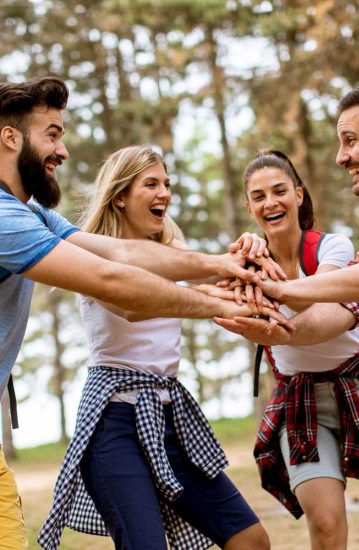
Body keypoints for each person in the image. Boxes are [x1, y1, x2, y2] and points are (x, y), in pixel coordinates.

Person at [0, 76, 285, 549]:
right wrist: (226, 299)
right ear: (10, 138)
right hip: (113, 414)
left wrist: (226, 263)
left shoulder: (32, 214)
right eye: (52, 133)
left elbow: (126, 256)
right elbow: (117, 284)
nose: (62, 150)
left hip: (165, 406)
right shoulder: (5, 219)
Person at [217, 149, 359, 549]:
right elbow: (214, 299)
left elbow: (327, 305)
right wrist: (246, 269)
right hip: (300, 400)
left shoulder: (331, 246)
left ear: (299, 195)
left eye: (280, 191)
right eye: (259, 196)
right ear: (249, 207)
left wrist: (275, 282)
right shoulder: (243, 264)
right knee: (327, 526)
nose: (271, 202)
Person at [217, 79, 359, 348]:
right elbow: (350, 300)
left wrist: (280, 289)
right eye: (258, 196)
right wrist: (285, 334)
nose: (340, 157)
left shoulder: (330, 245)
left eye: (350, 141)